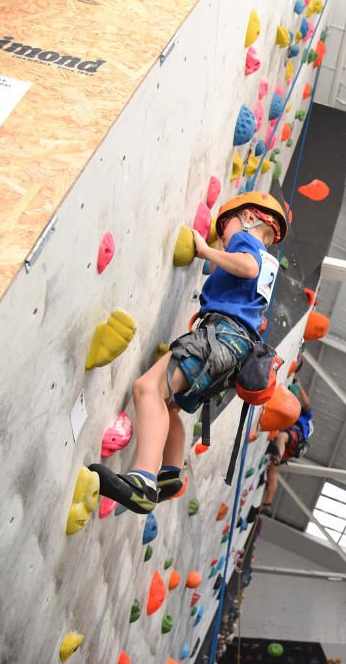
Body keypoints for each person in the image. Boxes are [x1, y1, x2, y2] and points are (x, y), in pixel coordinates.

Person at [89, 191, 287, 514]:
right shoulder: (271, 264)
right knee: (169, 407)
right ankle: (170, 474)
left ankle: (142, 481)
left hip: (221, 337)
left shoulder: (249, 245)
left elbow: (246, 267)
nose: (225, 238)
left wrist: (206, 250)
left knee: (147, 388)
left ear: (250, 218)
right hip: (234, 353)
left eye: (227, 229)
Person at [261, 376, 313, 515]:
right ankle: (267, 503)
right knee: (272, 472)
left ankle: (277, 455)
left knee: (282, 437)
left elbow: (307, 404)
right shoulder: (298, 420)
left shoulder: (304, 417)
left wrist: (299, 386)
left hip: (294, 438)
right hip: (292, 448)